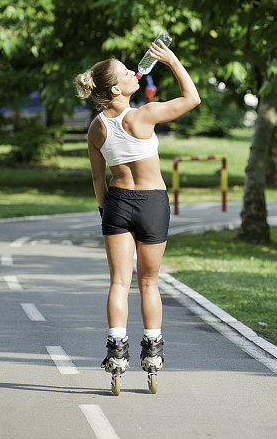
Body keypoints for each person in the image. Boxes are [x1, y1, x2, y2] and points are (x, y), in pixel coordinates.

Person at [75, 40, 200, 394]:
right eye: (127, 72)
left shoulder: (97, 128)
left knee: (119, 282)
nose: (135, 72)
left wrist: (106, 213)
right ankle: (153, 353)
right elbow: (192, 99)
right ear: (117, 88)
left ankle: (116, 354)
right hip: (151, 203)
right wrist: (173, 60)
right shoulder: (144, 114)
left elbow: (98, 178)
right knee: (148, 283)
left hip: (116, 203)